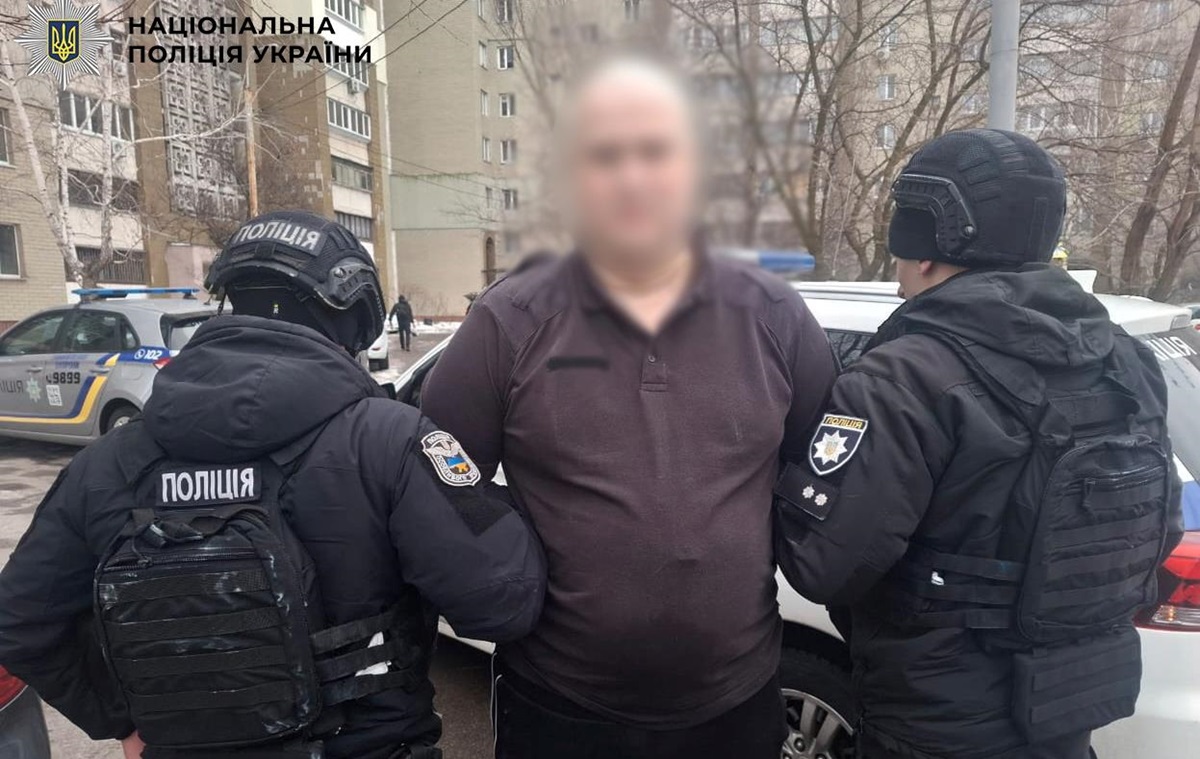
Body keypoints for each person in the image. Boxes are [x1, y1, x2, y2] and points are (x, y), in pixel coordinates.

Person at [0, 210, 546, 759]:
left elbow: (21, 623)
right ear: (354, 319)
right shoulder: (391, 441)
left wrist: (123, 722)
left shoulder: (107, 463)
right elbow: (504, 603)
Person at [421, 58, 837, 759]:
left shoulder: (775, 316)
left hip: (736, 705)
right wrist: (505, 585)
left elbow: (823, 477)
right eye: (607, 156)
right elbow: (435, 486)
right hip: (559, 706)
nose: (634, 178)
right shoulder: (511, 321)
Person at [773, 129, 1183, 759]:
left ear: (924, 246)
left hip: (939, 719)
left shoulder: (903, 379)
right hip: (1066, 709)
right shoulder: (1124, 361)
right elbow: (1159, 533)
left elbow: (824, 566)